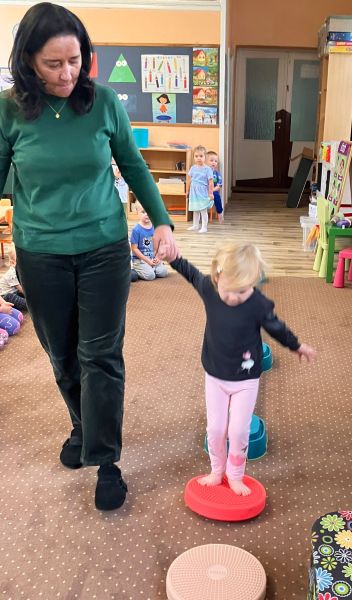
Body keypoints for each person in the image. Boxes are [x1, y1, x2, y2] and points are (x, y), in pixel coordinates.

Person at [0, 2, 178, 511]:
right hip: (41, 253)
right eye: (53, 64)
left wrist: (161, 221)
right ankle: (82, 425)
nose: (67, 74)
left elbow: (133, 164)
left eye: (75, 61)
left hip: (103, 246)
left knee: (100, 354)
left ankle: (106, 461)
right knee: (61, 354)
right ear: (28, 61)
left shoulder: (103, 102)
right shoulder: (8, 109)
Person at [160, 241, 317, 496]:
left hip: (246, 379)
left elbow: (277, 328)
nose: (234, 297)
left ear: (253, 282)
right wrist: (173, 258)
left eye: (242, 291)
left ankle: (235, 476)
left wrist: (297, 346)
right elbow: (190, 272)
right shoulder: (209, 288)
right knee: (216, 429)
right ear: (217, 277)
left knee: (238, 431)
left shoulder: (258, 304)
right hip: (215, 375)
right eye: (228, 290)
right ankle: (216, 471)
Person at [130, 201, 168, 280]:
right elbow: (134, 249)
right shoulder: (136, 230)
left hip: (152, 258)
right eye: (143, 212)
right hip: (140, 260)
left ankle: (151, 269)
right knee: (150, 276)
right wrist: (147, 261)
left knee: (163, 272)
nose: (147, 214)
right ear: (137, 212)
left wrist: (158, 257)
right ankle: (137, 270)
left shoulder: (155, 227)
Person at [186, 145, 214, 233]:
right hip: (194, 192)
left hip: (203, 192)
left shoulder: (208, 169)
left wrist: (211, 193)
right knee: (196, 209)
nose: (198, 158)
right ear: (194, 157)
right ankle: (195, 225)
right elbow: (189, 180)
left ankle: (204, 227)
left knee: (203, 209)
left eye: (201, 156)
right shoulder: (193, 168)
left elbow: (210, 182)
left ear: (205, 157)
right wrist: (187, 191)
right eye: (196, 156)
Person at [0, 244, 27, 311]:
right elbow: (21, 289)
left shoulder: (20, 271)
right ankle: (30, 305)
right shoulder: (12, 273)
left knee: (19, 294)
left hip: (15, 292)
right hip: (4, 297)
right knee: (11, 296)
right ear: (12, 263)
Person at [206, 150, 224, 224]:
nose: (214, 162)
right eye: (211, 160)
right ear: (206, 161)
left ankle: (219, 213)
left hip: (213, 191)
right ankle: (199, 215)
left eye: (215, 161)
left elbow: (219, 185)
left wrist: (212, 190)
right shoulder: (204, 172)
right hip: (204, 191)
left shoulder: (216, 174)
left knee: (217, 197)